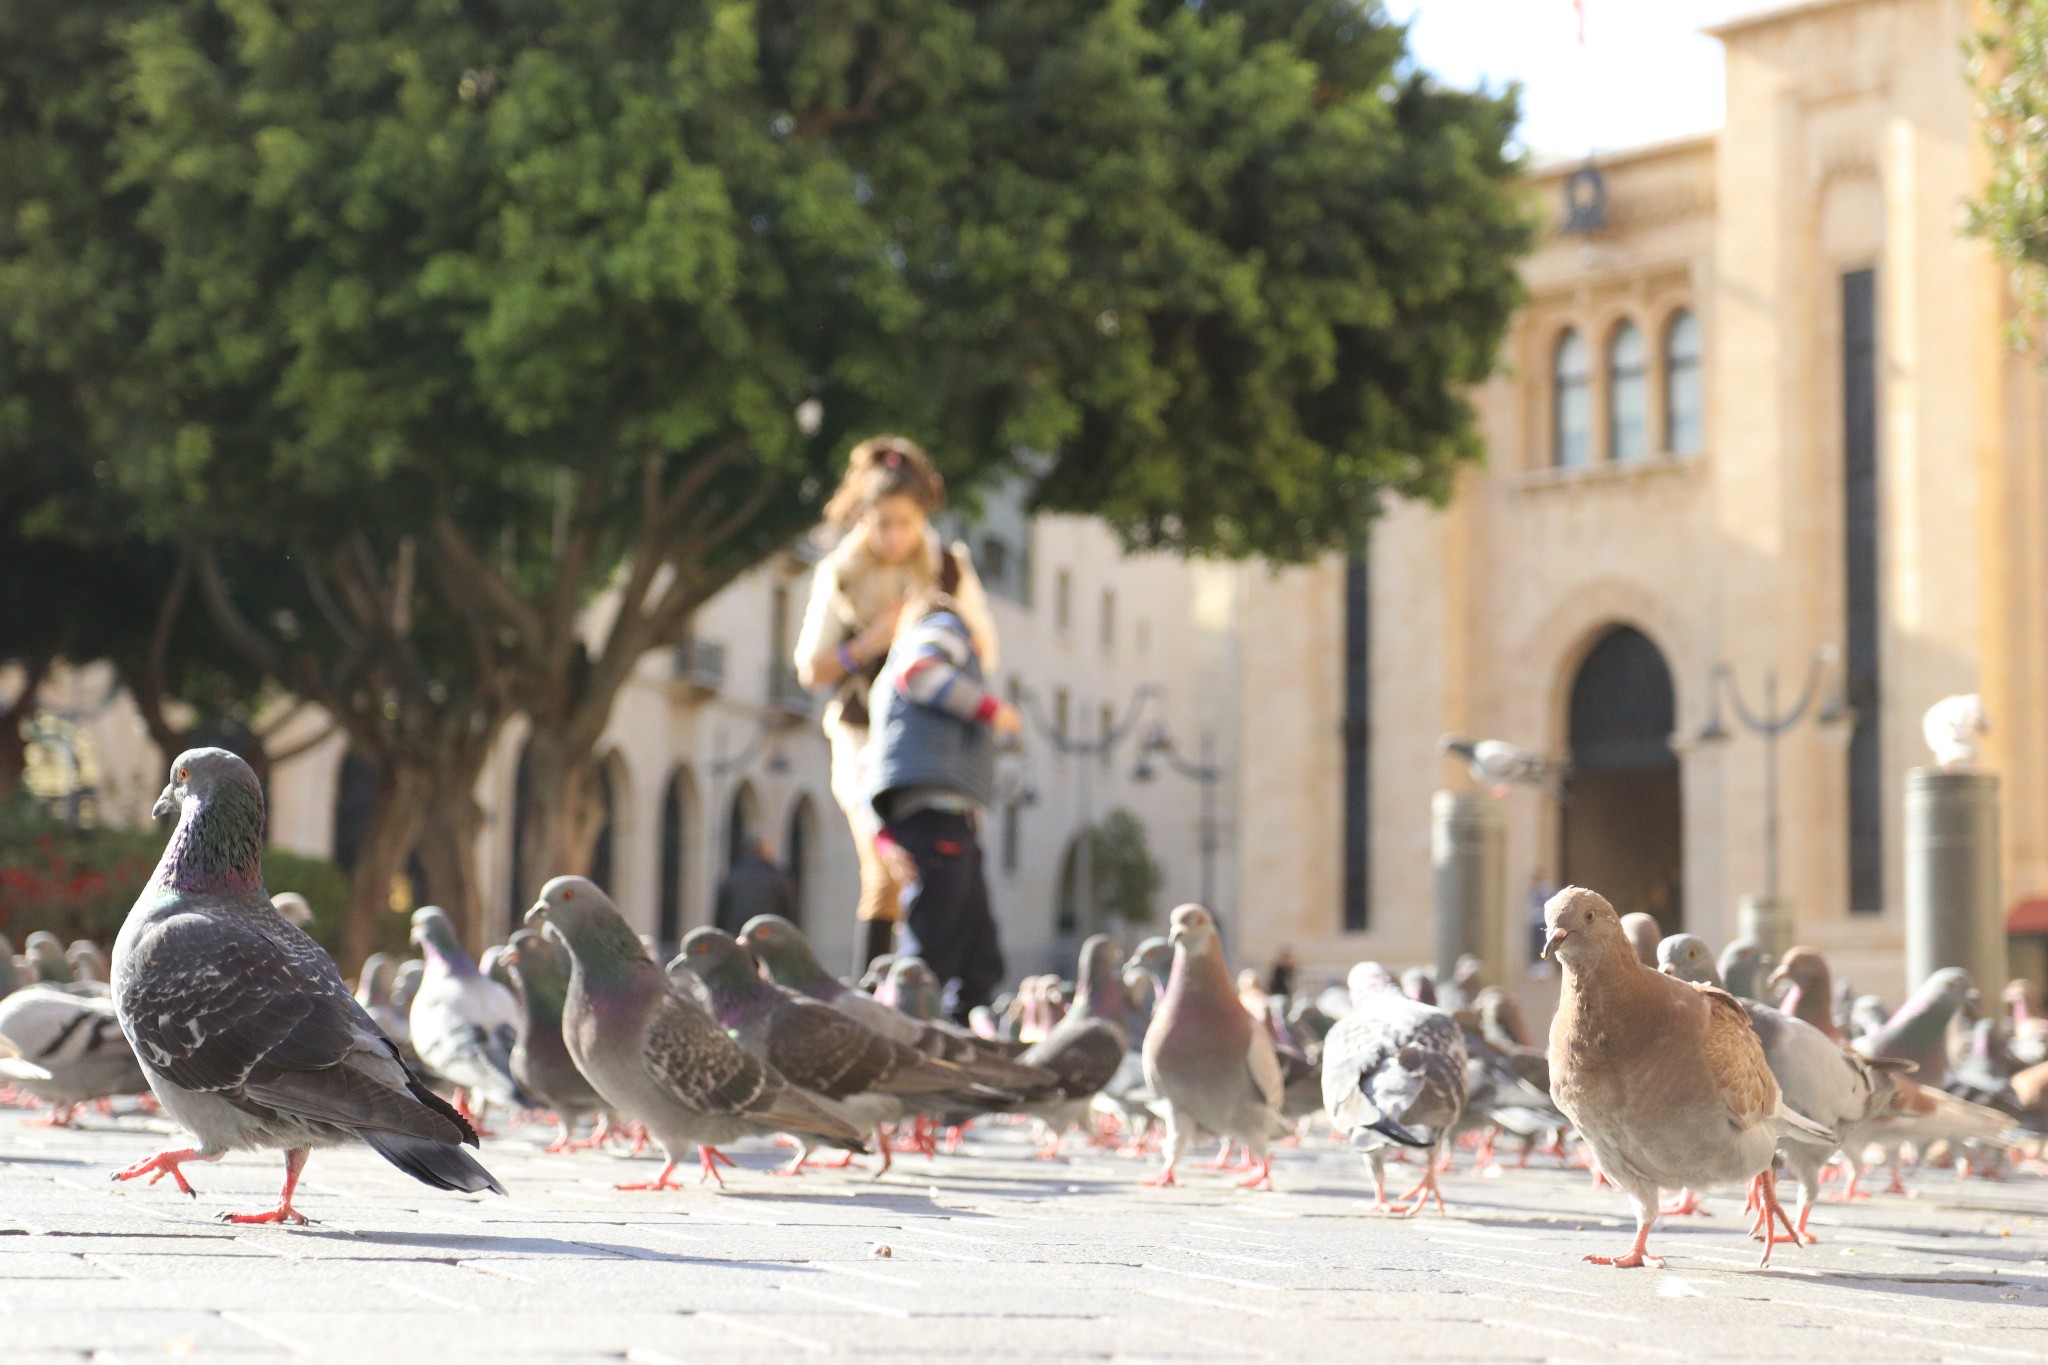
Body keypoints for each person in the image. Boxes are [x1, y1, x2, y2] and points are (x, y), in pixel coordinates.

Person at [793, 437, 999, 976]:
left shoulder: (950, 571)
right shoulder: (840, 574)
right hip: (863, 740)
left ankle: (920, 998)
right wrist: (871, 641)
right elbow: (810, 669)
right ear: (864, 517)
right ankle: (876, 1001)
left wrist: (928, 643)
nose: (893, 536)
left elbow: (984, 650)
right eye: (881, 522)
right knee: (885, 866)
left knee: (939, 867)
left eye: (905, 523)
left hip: (933, 747)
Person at [865, 593, 1020, 1024]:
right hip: (939, 816)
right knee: (937, 947)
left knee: (976, 947)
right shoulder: (943, 632)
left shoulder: (883, 687)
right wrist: (996, 711)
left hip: (937, 818)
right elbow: (921, 673)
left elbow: (871, 764)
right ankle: (915, 1032)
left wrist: (883, 834)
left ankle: (959, 1029)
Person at [713, 830, 796, 936]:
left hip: (736, 940)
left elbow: (720, 917)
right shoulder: (776, 877)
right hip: (766, 940)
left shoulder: (732, 876)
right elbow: (789, 915)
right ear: (763, 851)